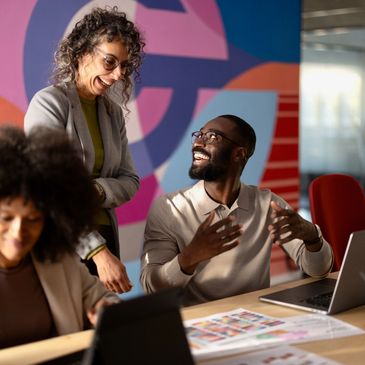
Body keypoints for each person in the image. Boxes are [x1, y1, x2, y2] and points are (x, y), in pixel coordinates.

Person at [140, 114, 333, 306]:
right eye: (199, 135)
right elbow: (151, 287)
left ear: (239, 154)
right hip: (197, 324)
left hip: (256, 321)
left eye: (212, 137)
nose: (198, 142)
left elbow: (319, 271)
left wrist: (311, 235)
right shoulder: (169, 208)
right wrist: (190, 257)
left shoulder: (268, 204)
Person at [24, 6, 145, 293]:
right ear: (82, 55)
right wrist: (97, 253)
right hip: (64, 241)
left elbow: (131, 181)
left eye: (124, 66)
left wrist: (96, 191)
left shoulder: (114, 113)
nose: (118, 75)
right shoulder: (49, 104)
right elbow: (50, 191)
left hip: (105, 235)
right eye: (109, 62)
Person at [0, 126, 119, 349]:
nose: (18, 232)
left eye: (33, 219)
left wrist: (105, 311)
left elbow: (106, 301)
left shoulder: (60, 260)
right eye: (6, 218)